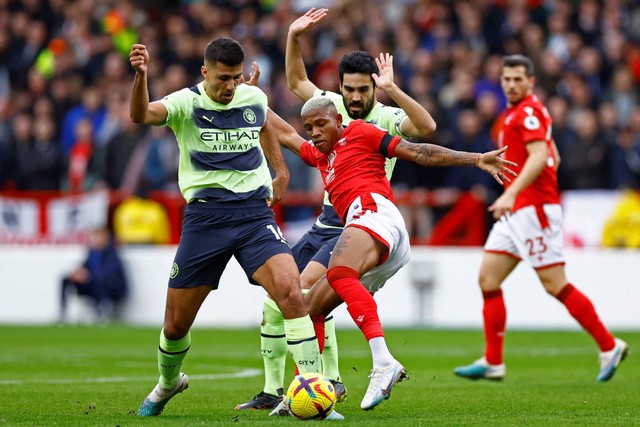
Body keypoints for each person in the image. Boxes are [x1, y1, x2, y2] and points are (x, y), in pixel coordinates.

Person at [236, 7, 438, 411]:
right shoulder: (329, 108)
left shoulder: (385, 117)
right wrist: (293, 36)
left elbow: (426, 129)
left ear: (374, 88)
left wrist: (394, 89)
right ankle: (277, 390)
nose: (356, 97)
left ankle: (326, 381)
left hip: (359, 222)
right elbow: (295, 83)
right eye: (350, 89)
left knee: (304, 292)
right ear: (340, 88)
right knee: (278, 298)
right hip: (326, 220)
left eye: (365, 89)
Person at [271, 96, 516, 411]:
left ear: (337, 120)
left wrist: (474, 158)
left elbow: (419, 152)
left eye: (321, 124)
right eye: (309, 128)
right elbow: (286, 135)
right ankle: (306, 391)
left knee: (338, 272)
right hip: (372, 235)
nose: (315, 132)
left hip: (375, 215)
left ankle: (383, 362)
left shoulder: (360, 131)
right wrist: (247, 98)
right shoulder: (320, 156)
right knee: (310, 308)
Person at [128, 37, 322, 417]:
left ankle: (313, 394)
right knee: (175, 324)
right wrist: (141, 76)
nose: (230, 86)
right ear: (205, 72)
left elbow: (265, 123)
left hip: (253, 215)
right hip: (205, 219)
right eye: (222, 78)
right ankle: (168, 383)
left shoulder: (250, 96)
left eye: (235, 78)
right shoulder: (186, 102)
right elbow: (140, 116)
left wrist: (280, 171)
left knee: (291, 292)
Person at [453, 54, 629, 382]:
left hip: (532, 210)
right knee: (488, 279)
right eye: (507, 79)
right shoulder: (521, 112)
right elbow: (554, 156)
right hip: (520, 211)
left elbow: (541, 156)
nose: (511, 84)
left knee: (555, 284)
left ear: (531, 81)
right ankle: (493, 361)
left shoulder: (528, 112)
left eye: (518, 79)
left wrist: (512, 193)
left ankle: (609, 345)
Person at [59, 227, 128, 323]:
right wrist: (78, 273)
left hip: (111, 288)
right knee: (66, 279)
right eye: (96, 237)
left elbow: (109, 271)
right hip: (92, 285)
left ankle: (103, 309)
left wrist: (88, 275)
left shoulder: (112, 252)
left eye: (100, 237)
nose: (97, 239)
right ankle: (63, 312)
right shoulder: (92, 253)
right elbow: (84, 266)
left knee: (99, 279)